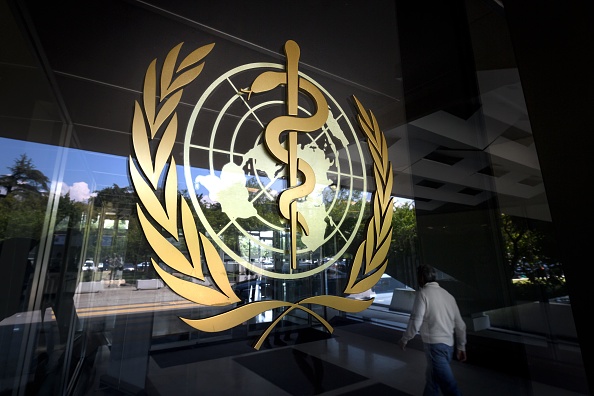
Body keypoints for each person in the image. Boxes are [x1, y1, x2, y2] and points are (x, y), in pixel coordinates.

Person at [398, 265, 467, 396]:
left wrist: (405, 339)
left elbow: (416, 320)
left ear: (421, 277)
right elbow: (460, 324)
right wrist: (461, 346)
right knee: (432, 382)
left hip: (434, 347)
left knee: (449, 386)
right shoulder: (448, 296)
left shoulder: (423, 294)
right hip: (449, 347)